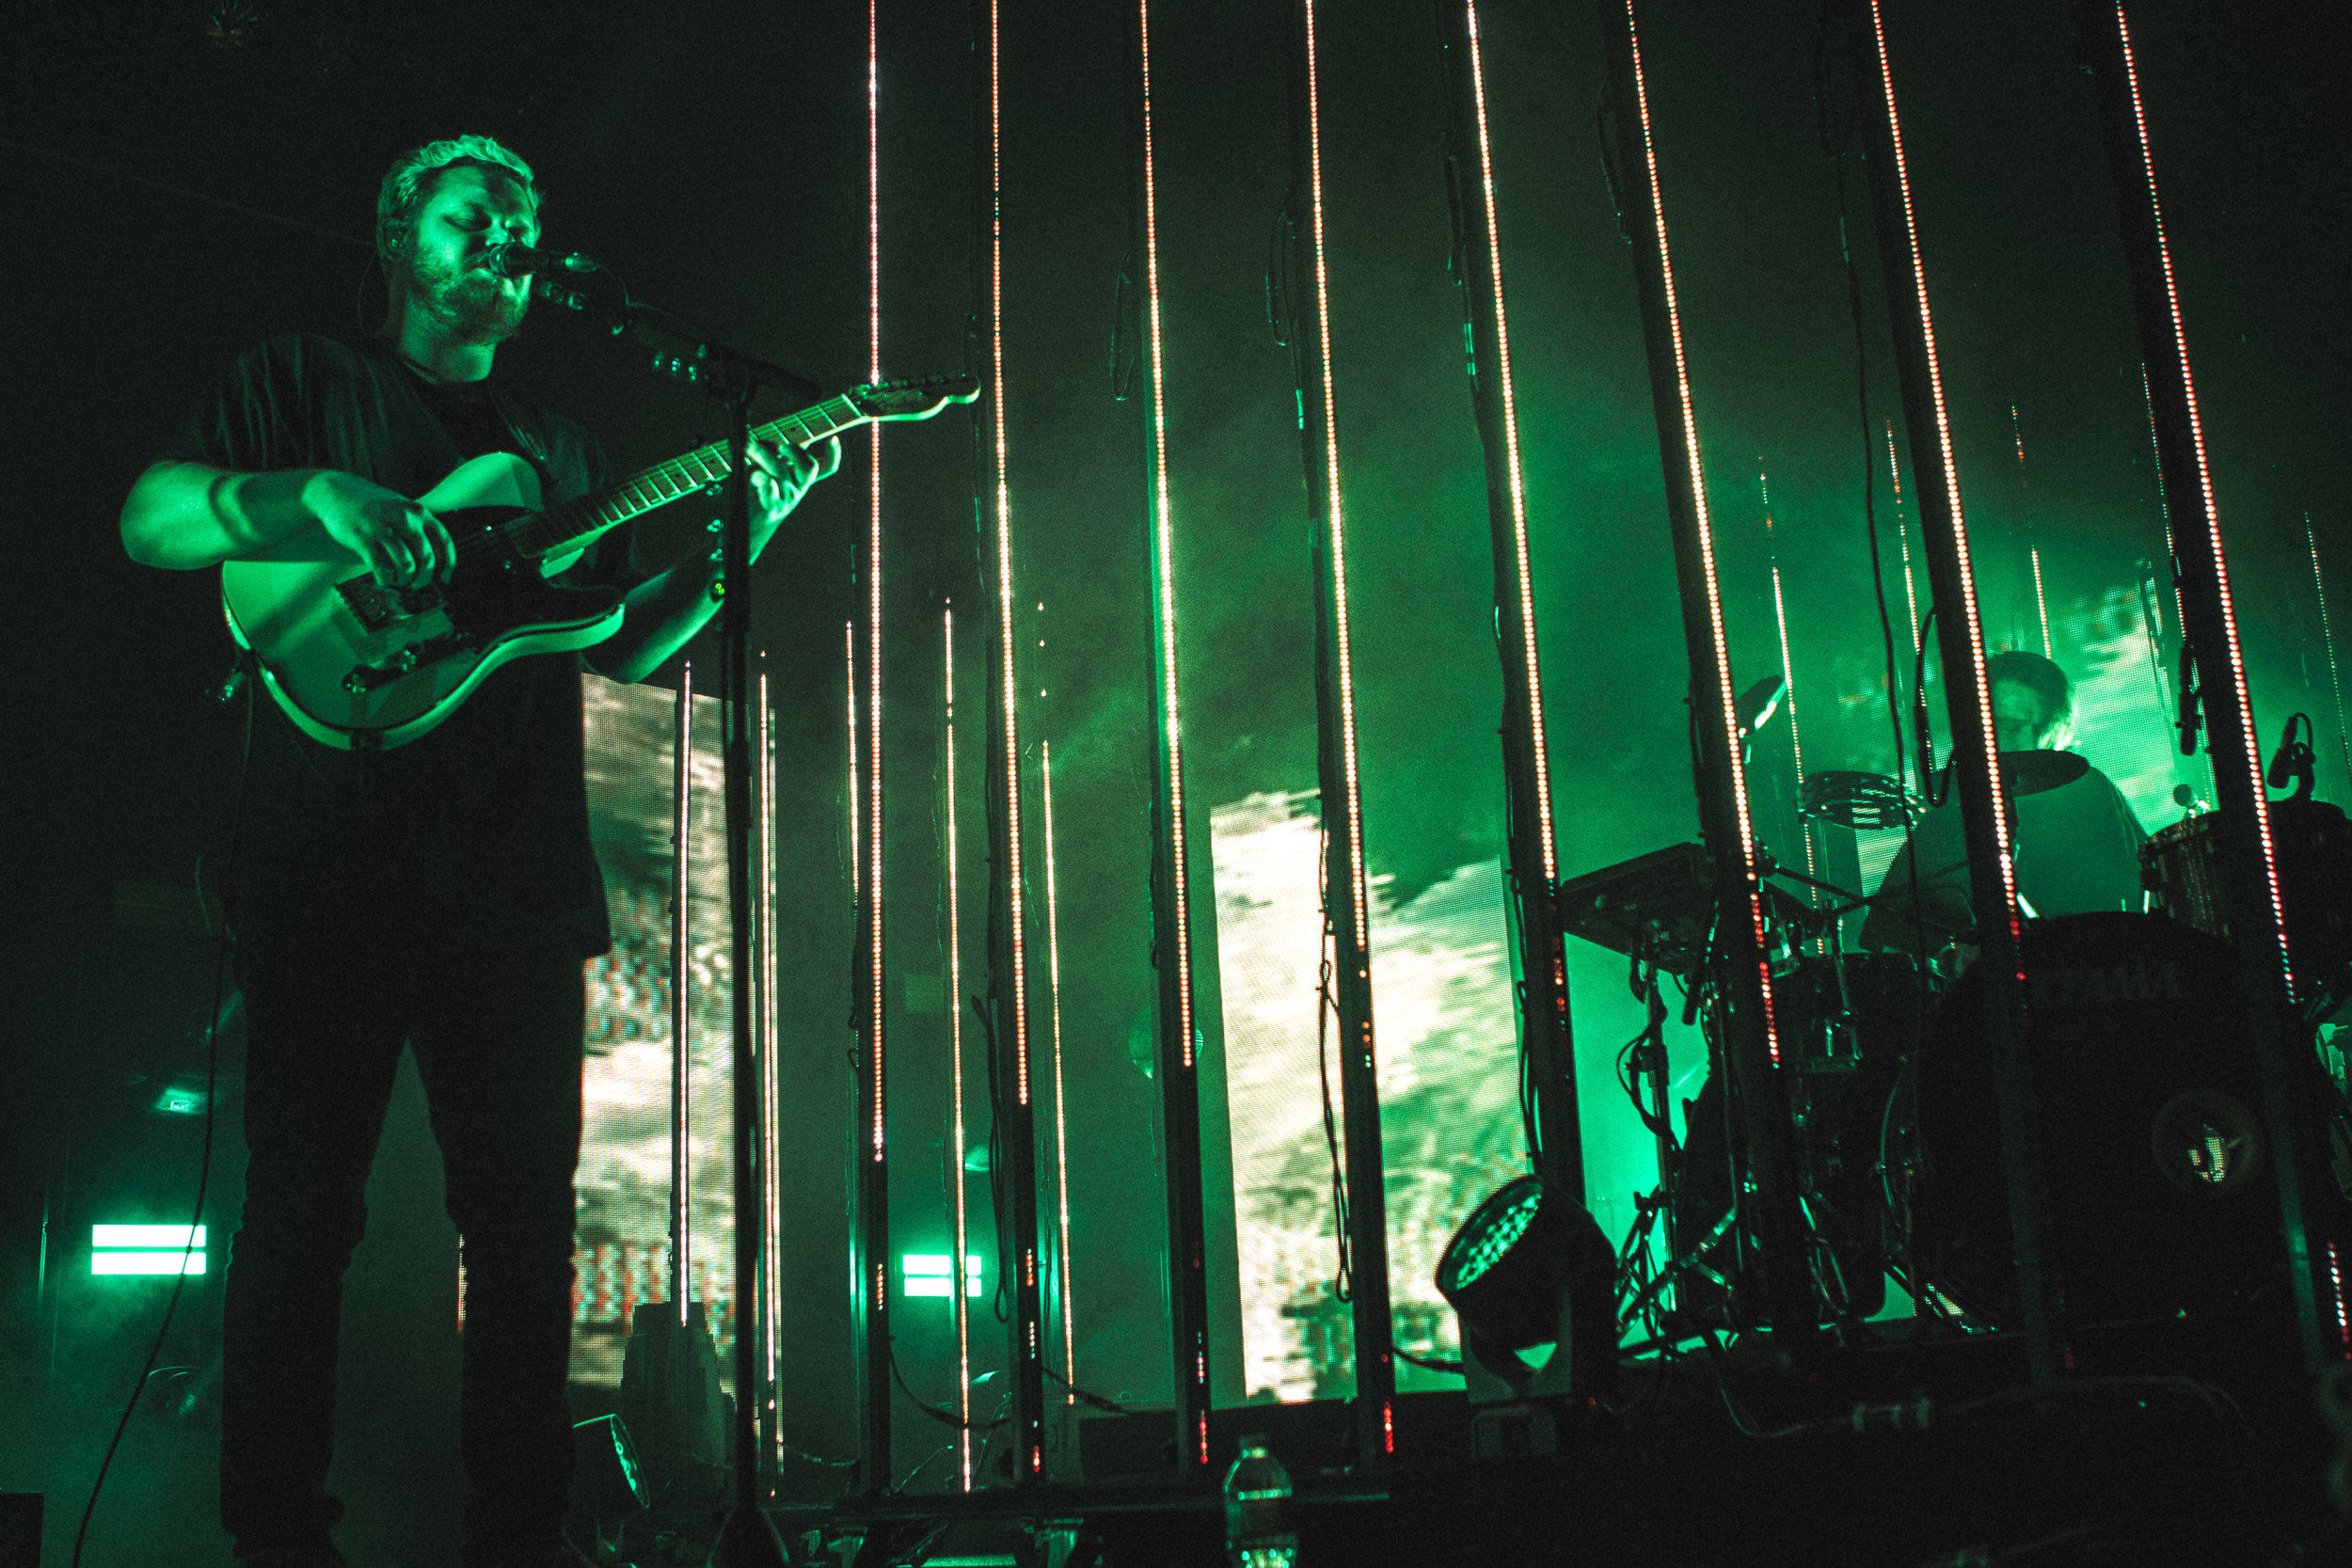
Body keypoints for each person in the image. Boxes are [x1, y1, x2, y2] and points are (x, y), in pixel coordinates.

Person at [118, 135, 839, 1568]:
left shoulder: (563, 453)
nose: (505, 241)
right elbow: (151, 517)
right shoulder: (303, 379)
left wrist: (733, 548)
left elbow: (614, 640)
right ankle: (278, 1535)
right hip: (328, 860)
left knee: (524, 1235)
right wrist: (321, 496)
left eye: (523, 224)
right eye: (473, 215)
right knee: (301, 1210)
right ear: (401, 235)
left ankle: (519, 1538)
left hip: (513, 881)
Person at [1860, 649, 2149, 958]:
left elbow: (2141, 890)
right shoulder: (1956, 810)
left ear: (2057, 730)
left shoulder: (2089, 790)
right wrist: (1950, 954)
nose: (2020, 742)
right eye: (2003, 726)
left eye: (2037, 727)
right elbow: (1889, 927)